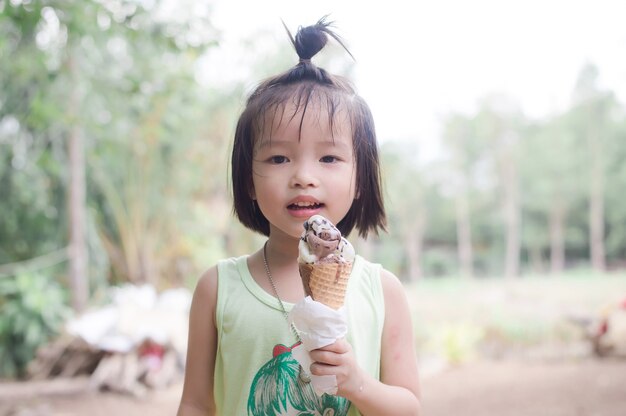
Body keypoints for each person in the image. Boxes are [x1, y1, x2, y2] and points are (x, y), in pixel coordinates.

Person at [177, 17, 421, 416]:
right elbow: (196, 404)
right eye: (278, 158)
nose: (303, 177)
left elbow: (409, 407)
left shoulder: (382, 291)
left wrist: (357, 383)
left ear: (359, 178)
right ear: (248, 181)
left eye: (329, 157)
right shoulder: (218, 289)